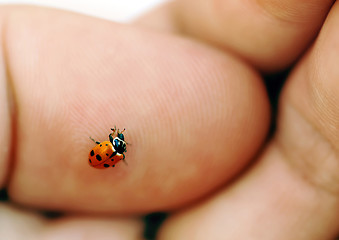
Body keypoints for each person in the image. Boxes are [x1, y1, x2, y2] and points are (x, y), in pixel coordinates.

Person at [0, 1, 339, 239]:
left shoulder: (111, 152)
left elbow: (104, 151)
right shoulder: (112, 153)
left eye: (114, 144)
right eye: (116, 143)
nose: (115, 144)